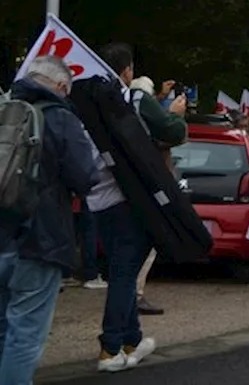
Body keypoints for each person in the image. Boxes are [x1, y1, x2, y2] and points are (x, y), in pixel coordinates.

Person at [0, 56, 99, 383]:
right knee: (25, 333)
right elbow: (85, 177)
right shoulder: (61, 118)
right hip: (40, 239)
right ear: (62, 86)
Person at [90, 43, 162, 373]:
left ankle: (132, 339)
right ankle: (110, 347)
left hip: (98, 201)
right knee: (123, 275)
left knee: (122, 270)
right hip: (123, 201)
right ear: (127, 71)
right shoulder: (119, 105)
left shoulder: (88, 104)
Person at [126, 76, 188, 317]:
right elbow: (173, 134)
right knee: (147, 243)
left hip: (137, 185)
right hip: (153, 184)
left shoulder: (129, 114)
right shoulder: (145, 120)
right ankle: (135, 295)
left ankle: (131, 294)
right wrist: (175, 115)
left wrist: (161, 99)